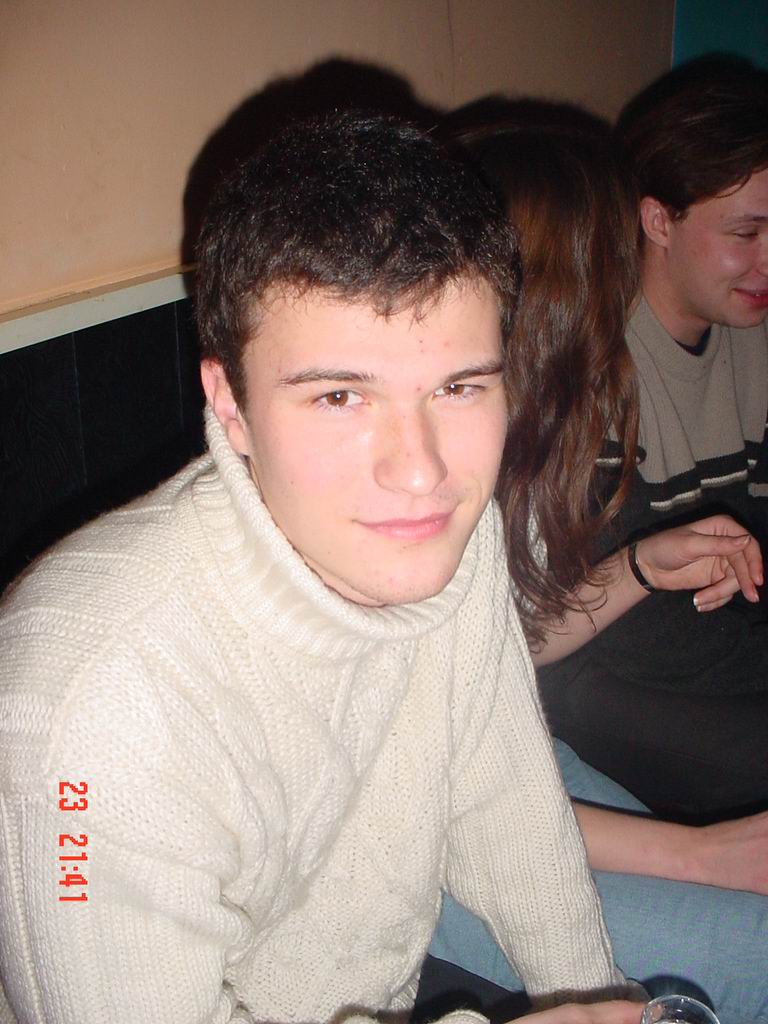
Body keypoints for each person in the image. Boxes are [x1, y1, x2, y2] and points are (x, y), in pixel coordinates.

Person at [0, 112, 759, 1024]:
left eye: (460, 386)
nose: (421, 470)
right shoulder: (91, 705)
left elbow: (503, 799)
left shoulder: (448, 531)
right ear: (230, 406)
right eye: (339, 396)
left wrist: (593, 997)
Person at [427, 120, 768, 1024]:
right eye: (617, 262)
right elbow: (427, 804)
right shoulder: (414, 487)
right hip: (410, 844)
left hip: (507, 762)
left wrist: (640, 568)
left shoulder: (526, 435)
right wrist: (701, 853)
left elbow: (514, 648)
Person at [536, 61, 768, 821]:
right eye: (746, 232)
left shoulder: (751, 335)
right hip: (606, 672)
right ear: (658, 221)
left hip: (725, 648)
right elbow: (611, 625)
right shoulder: (592, 363)